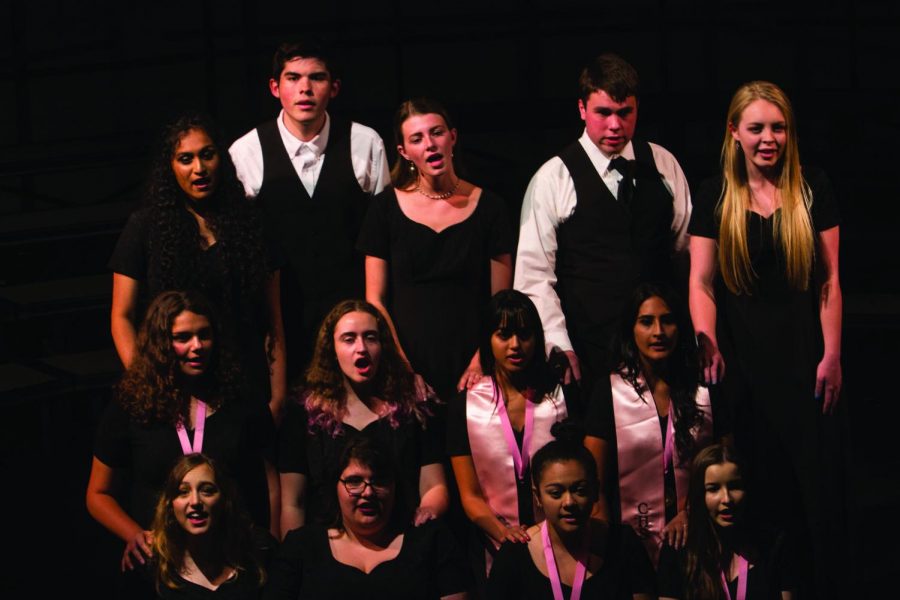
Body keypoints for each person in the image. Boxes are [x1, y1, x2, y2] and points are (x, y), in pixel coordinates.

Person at [687, 81, 843, 596]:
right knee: (752, 489)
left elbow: (828, 281)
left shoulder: (812, 187)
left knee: (809, 492)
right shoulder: (715, 194)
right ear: (735, 132)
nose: (768, 138)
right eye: (756, 128)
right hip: (743, 368)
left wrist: (832, 355)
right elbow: (702, 282)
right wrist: (705, 338)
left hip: (804, 364)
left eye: (777, 127)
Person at [514, 52, 691, 391]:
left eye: (625, 113)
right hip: (590, 351)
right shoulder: (555, 176)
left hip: (663, 351)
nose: (615, 125)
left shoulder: (663, 163)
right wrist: (558, 342)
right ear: (582, 109)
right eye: (604, 113)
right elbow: (534, 273)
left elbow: (686, 256)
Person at [87, 291, 278, 583]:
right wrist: (135, 535)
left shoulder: (241, 400)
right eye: (183, 338)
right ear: (162, 344)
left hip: (230, 560)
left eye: (204, 335)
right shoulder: (132, 405)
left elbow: (270, 481)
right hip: (164, 564)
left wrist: (272, 544)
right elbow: (98, 494)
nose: (197, 346)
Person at [229, 39, 390, 381]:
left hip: (353, 324)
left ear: (334, 87)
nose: (305, 88)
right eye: (293, 78)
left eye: (316, 77)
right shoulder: (246, 152)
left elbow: (384, 239)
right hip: (281, 322)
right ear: (275, 87)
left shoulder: (365, 143)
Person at [110, 111, 286, 415]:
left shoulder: (251, 222)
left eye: (207, 155)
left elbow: (272, 319)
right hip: (174, 383)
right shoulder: (146, 226)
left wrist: (278, 396)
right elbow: (121, 317)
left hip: (244, 381)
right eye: (186, 159)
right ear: (171, 166)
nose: (199, 168)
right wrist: (147, 383)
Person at [358, 97, 513, 403]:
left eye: (437, 133)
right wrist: (401, 366)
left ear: (452, 137)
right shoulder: (385, 209)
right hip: (407, 364)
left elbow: (500, 301)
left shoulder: (490, 208)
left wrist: (481, 360)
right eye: (417, 138)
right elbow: (375, 299)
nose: (430, 144)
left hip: (474, 365)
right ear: (404, 152)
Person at [278, 299, 448, 534]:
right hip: (328, 551)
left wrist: (428, 510)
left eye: (370, 337)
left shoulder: (412, 407)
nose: (361, 348)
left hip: (400, 541)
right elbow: (292, 502)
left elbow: (434, 484)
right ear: (332, 349)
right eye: (349, 339)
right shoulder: (306, 414)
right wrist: (294, 558)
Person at [447, 290, 577, 583]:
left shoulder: (560, 399)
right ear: (488, 340)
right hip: (492, 546)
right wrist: (504, 534)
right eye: (503, 335)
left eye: (524, 334)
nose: (515, 345)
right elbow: (469, 495)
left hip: (557, 546)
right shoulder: (465, 406)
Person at [584, 283, 712, 566]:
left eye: (667, 320)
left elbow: (725, 467)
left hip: (698, 537)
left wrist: (692, 513)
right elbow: (594, 482)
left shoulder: (705, 390)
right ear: (631, 329)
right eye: (646, 322)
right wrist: (605, 550)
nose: (658, 332)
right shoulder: (609, 392)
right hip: (628, 545)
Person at [265, 437, 471, 599]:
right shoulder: (302, 546)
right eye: (354, 481)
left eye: (379, 481)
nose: (368, 492)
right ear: (335, 488)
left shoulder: (431, 541)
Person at [487, 420, 656, 599]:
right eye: (556, 493)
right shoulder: (514, 555)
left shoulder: (623, 543)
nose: (569, 502)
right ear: (538, 496)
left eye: (580, 490)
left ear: (595, 491)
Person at [657, 443, 796, 600]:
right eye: (714, 488)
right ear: (699, 495)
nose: (727, 499)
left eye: (734, 486)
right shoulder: (678, 549)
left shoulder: (772, 545)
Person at [151, 453, 272, 599]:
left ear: (224, 500)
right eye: (183, 492)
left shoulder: (258, 553)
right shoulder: (154, 568)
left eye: (207, 491)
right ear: (170, 505)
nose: (195, 501)